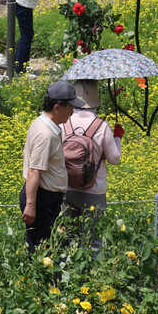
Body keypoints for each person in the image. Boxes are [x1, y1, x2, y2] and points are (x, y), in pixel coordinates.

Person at [20, 80, 79, 253]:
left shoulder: (43, 124)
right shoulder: (46, 134)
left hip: (46, 198)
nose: (73, 111)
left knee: (48, 247)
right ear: (57, 107)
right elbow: (33, 171)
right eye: (70, 106)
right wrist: (31, 205)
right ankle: (44, 280)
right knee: (44, 250)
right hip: (41, 199)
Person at [63, 79, 123, 248]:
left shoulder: (64, 123)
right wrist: (117, 137)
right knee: (93, 240)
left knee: (69, 237)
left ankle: (69, 270)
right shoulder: (102, 126)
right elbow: (114, 159)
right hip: (94, 190)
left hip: (67, 188)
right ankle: (91, 273)